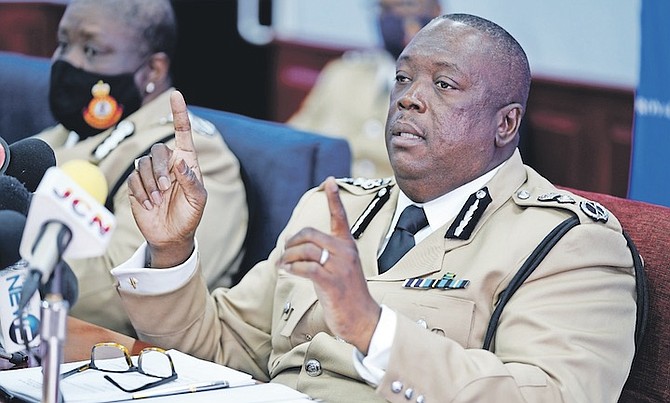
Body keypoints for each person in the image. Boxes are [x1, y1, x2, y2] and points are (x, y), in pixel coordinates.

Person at [114, 14, 640, 402]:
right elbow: (222, 346)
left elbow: (549, 397)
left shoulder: (570, 244)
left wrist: (373, 328)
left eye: (444, 84)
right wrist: (172, 251)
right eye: (404, 79)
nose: (409, 98)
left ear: (505, 124)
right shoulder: (331, 207)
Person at [34, 0, 248, 336]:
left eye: (91, 49)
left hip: (132, 363)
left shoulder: (191, 157)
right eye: (63, 44)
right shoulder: (69, 132)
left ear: (153, 71)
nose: (67, 61)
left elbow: (120, 291)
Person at [286, 0, 442, 179]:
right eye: (385, 9)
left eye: (406, 5)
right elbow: (291, 142)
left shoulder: (445, 92)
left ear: (436, 11)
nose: (394, 16)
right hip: (323, 191)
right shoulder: (342, 73)